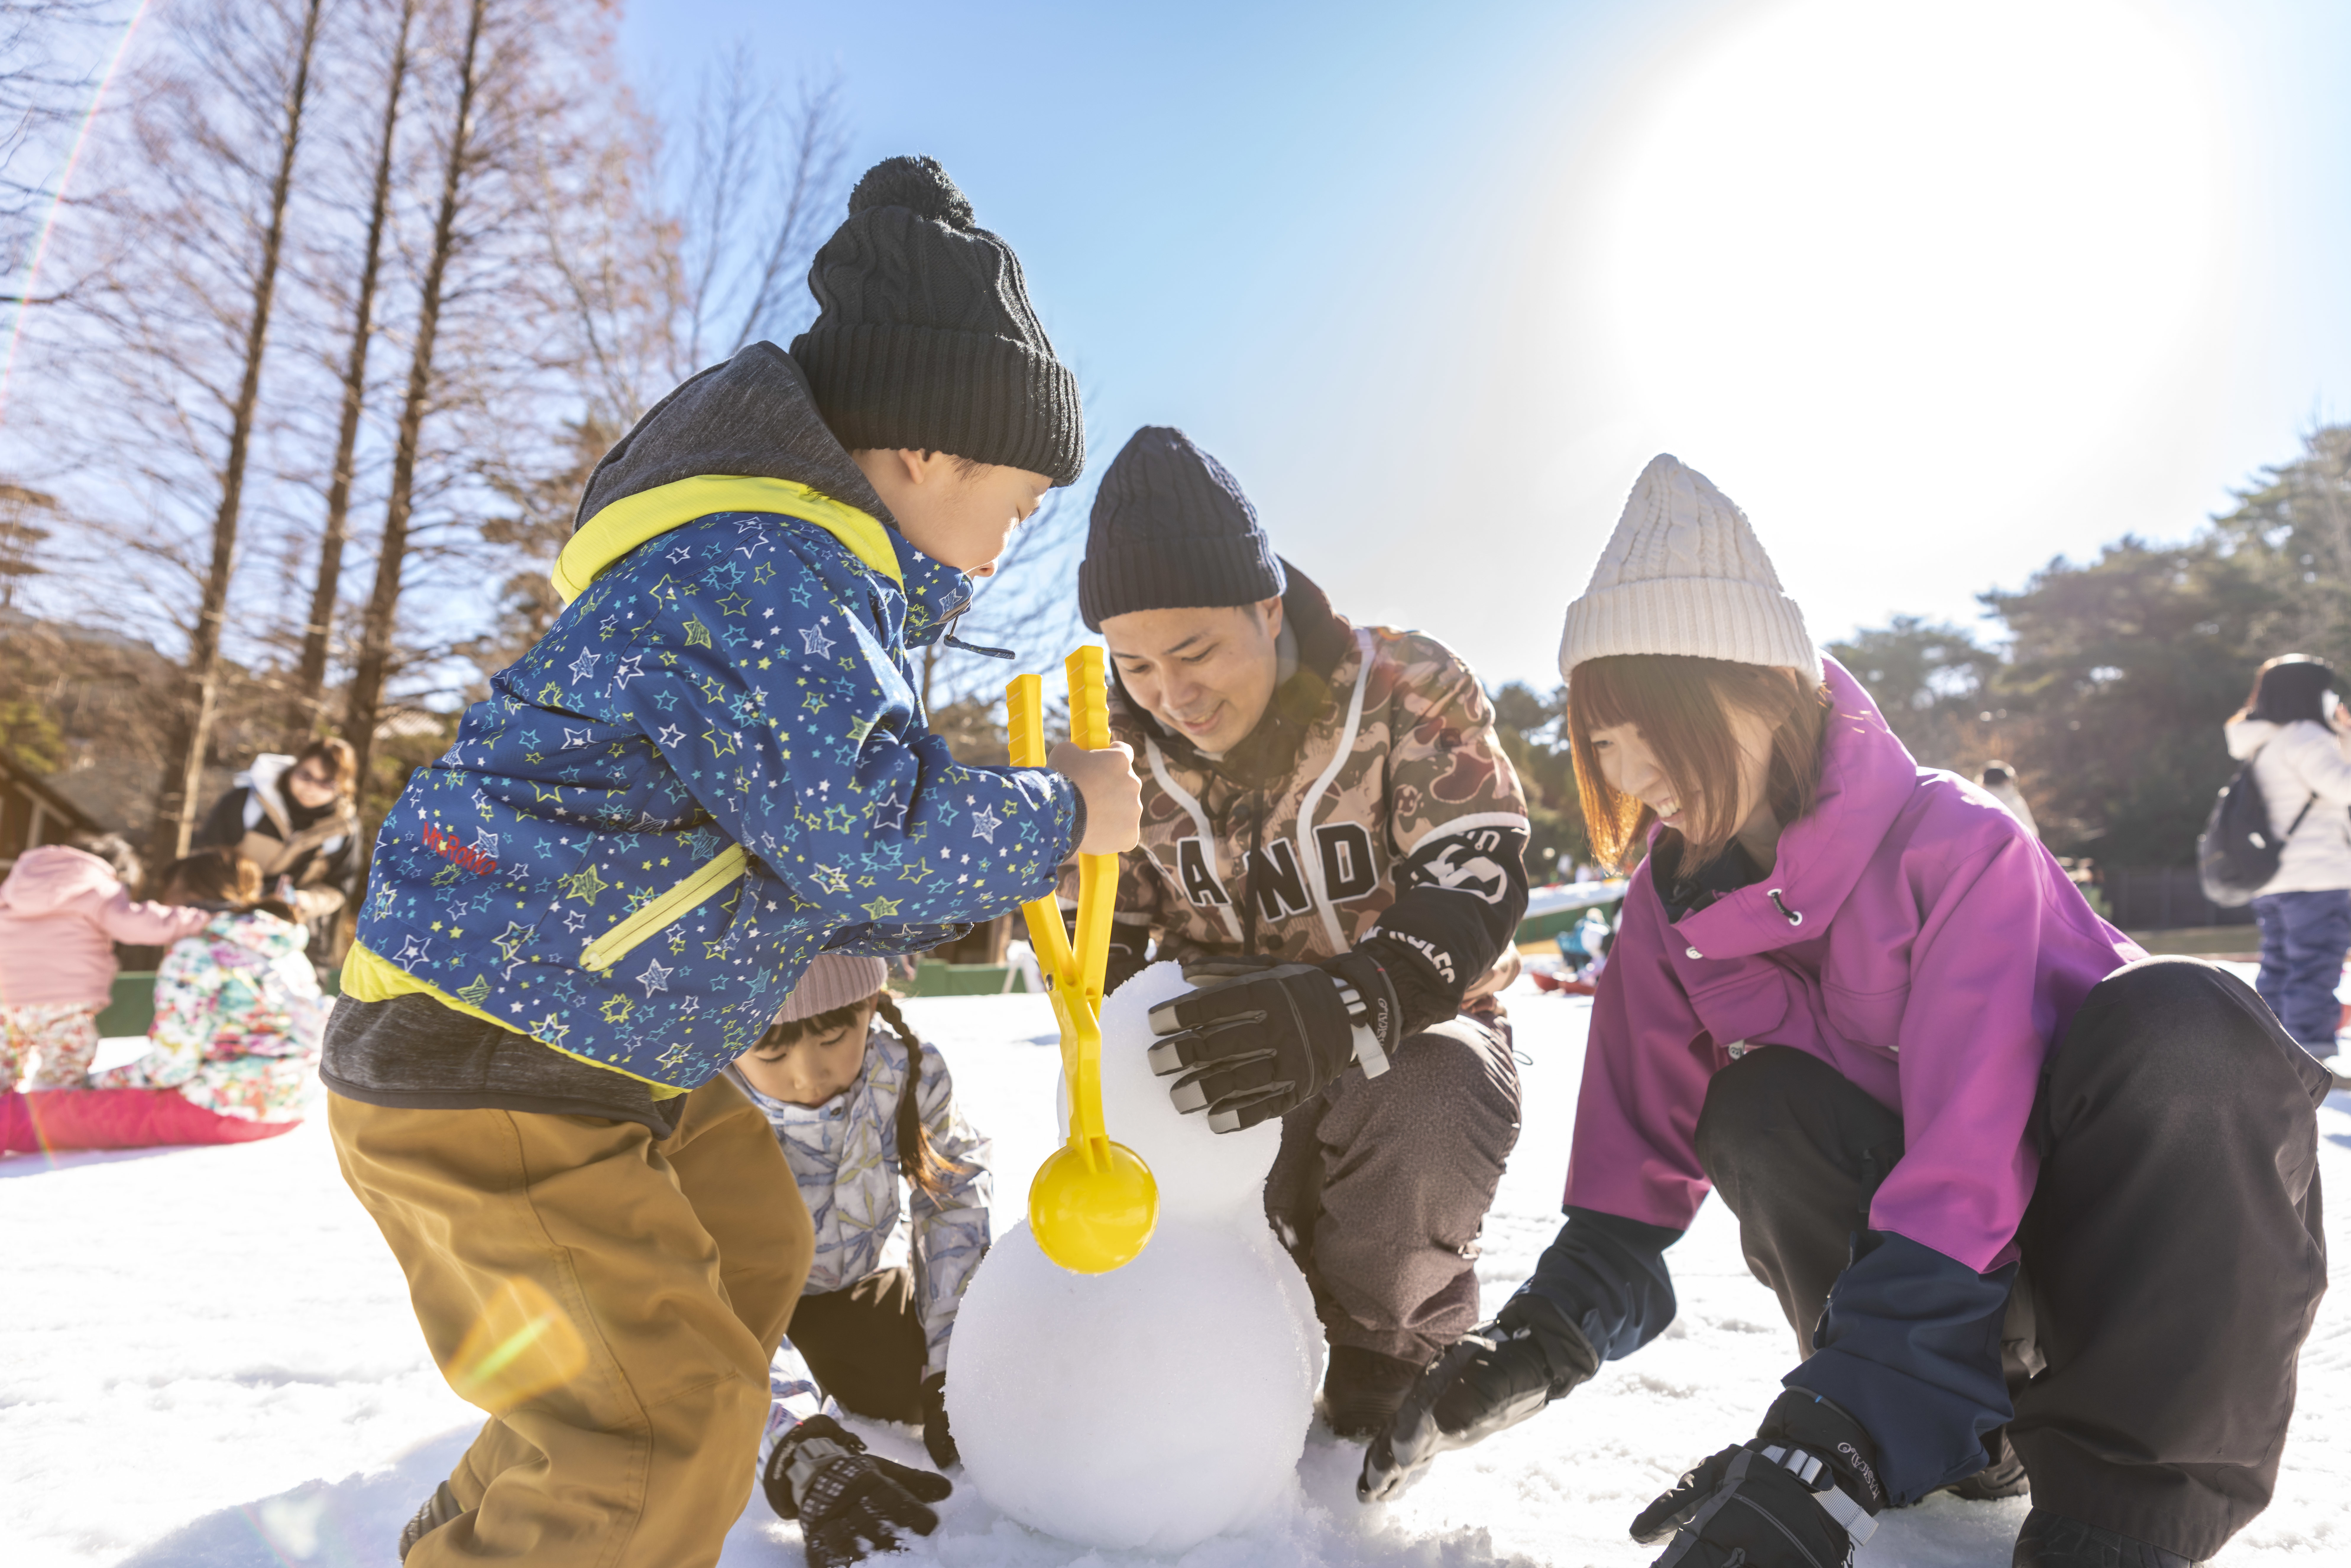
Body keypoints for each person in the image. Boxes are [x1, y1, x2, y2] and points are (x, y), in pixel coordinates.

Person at [323, 155, 1140, 1568]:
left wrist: (1000, 860)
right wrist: (1058, 813)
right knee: (665, 1423)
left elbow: (826, 863)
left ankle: (511, 1522)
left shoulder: (795, 579)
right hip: (496, 1060)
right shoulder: (766, 568)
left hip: (596, 1050)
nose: (1008, 549)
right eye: (1016, 505)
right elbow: (866, 839)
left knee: (747, 1246)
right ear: (930, 451)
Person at [1358, 456, 2331, 1568]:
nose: (1624, 771)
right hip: (1952, 1326)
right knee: (1760, 1102)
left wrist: (1829, 1436)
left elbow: (1970, 1155)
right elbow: (1629, 1179)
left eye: (1645, 726)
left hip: (2126, 1267)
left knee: (2186, 1021)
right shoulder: (1668, 909)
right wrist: (1529, 1347)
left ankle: (2112, 1519)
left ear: (1760, 691)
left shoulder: (1953, 846)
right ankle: (1946, 1441)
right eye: (1601, 739)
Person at [1070, 426, 1531, 1440]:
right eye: (1135, 663)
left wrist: (1353, 999)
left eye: (1195, 652)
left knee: (1432, 1086)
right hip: (1222, 1044)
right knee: (1132, 1080)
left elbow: (1478, 864)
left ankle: (1383, 1344)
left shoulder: (1405, 682)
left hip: (1405, 1023)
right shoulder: (1111, 739)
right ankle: (1205, 1314)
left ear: (1267, 607)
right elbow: (1100, 934)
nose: (1172, 696)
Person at [725, 957, 989, 1520]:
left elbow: (953, 1197)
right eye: (770, 1051)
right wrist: (800, 1449)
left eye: (831, 1037)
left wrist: (952, 1363)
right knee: (692, 1398)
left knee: (914, 1390)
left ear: (870, 1004)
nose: (808, 1074)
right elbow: (697, 1290)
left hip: (853, 1290)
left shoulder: (907, 1074)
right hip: (739, 1309)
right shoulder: (703, 1107)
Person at [3, 847, 326, 1152]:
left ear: (181, 897)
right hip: (291, 1104)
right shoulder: (282, 947)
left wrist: (96, 1082)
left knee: (47, 1114)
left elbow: (172, 1065)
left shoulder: (196, 952)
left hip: (224, 1107)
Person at [0, 841, 210, 1093]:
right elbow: (134, 924)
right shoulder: (96, 886)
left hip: (7, 1001)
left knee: (4, 1062)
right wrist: (200, 920)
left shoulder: (17, 883)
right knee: (66, 1064)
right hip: (62, 1001)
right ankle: (48, 1108)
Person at [2223, 655, 2351, 1063]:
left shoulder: (2263, 742)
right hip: (2316, 874)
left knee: (2279, 967)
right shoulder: (2306, 736)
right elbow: (2343, 787)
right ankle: (2309, 1058)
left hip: (2274, 878)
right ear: (2310, 693)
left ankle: (2272, 1057)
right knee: (2314, 966)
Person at [191, 738, 362, 927]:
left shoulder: (343, 829)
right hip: (220, 914)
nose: (311, 788)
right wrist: (237, 896)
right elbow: (205, 857)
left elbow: (338, 888)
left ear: (343, 786)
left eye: (327, 783)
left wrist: (301, 901)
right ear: (295, 768)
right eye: (306, 776)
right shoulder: (246, 802)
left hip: (287, 924)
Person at [1977, 759, 2038, 838]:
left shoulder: (1977, 801)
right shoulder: (2015, 802)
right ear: (2006, 781)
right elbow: (2031, 832)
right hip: (2015, 844)